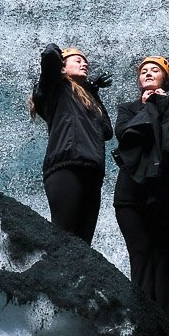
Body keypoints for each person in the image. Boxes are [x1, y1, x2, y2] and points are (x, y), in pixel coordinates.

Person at [112, 55, 169, 333]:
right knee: (141, 256)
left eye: (154, 70)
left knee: (164, 260)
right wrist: (148, 109)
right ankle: (142, 327)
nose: (147, 74)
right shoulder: (127, 108)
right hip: (131, 198)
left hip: (168, 195)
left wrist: (163, 107)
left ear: (165, 79)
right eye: (143, 71)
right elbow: (125, 134)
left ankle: (164, 328)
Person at [30, 44, 113, 242]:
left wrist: (92, 91)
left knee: (84, 243)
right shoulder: (55, 89)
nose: (84, 64)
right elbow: (50, 54)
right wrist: (60, 58)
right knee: (64, 236)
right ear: (62, 67)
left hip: (92, 170)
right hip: (66, 166)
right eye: (78, 60)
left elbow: (107, 130)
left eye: (86, 62)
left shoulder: (88, 98)